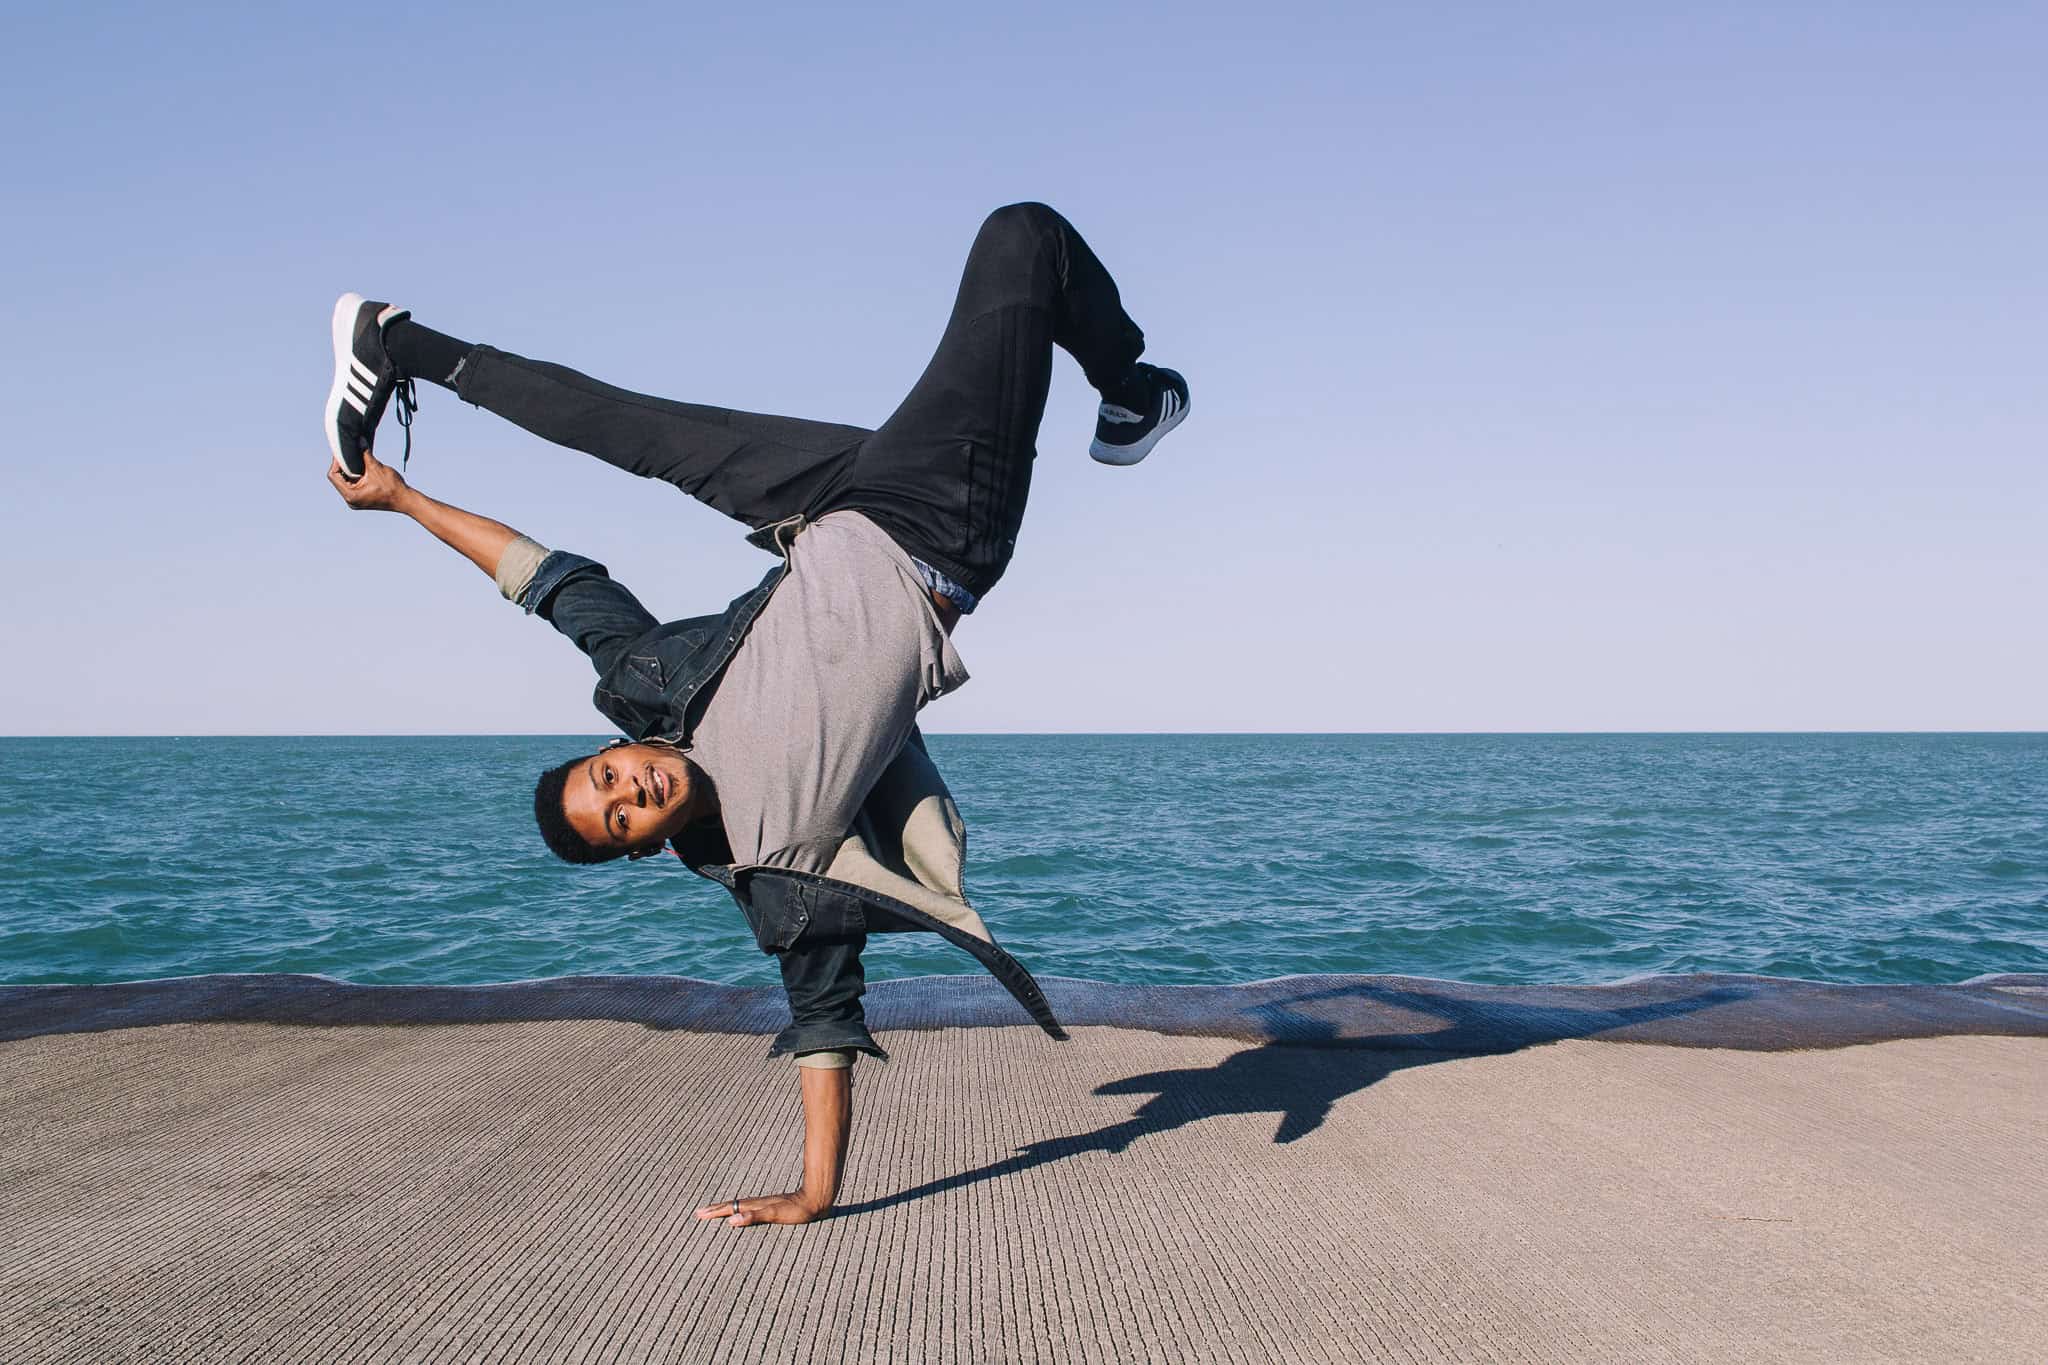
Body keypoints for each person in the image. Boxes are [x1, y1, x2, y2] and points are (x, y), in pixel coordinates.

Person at [322, 202, 1190, 1227]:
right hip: (940, 531)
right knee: (1022, 238)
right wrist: (815, 1191)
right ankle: (1133, 393)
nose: (631, 791)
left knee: (638, 431)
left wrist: (403, 502)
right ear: (646, 845)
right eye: (621, 819)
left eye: (608, 777)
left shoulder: (655, 682)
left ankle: (399, 344)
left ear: (615, 748)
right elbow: (824, 1022)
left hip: (826, 504)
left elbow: (545, 580)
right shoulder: (779, 862)